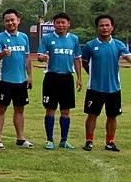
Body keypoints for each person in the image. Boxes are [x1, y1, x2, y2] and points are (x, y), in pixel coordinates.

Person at [81, 14, 131, 151]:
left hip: (114, 88)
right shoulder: (90, 45)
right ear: (97, 28)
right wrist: (92, 75)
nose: (104, 28)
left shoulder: (118, 44)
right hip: (95, 88)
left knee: (112, 116)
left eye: (107, 25)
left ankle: (110, 142)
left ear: (112, 27)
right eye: (101, 25)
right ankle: (89, 141)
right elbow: (84, 62)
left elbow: (128, 57)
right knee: (92, 115)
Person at [38, 12, 82, 150]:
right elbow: (39, 55)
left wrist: (79, 78)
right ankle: (49, 140)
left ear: (68, 24)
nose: (61, 25)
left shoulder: (74, 39)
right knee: (50, 110)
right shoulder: (47, 38)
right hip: (51, 77)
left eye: (63, 22)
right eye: (58, 22)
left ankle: (64, 140)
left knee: (65, 111)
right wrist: (43, 58)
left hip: (67, 78)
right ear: (53, 24)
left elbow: (77, 59)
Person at [0, 8, 33, 149]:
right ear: (4, 22)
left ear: (18, 21)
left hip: (20, 80)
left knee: (20, 109)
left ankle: (20, 138)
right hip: (5, 80)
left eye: (12, 20)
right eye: (7, 21)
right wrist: (3, 53)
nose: (10, 23)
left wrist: (29, 76)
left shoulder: (24, 37)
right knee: (1, 108)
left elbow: (27, 57)